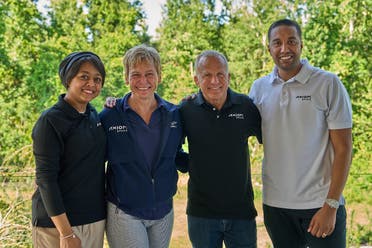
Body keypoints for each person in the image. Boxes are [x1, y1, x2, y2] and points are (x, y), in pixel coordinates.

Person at [249, 19, 353, 248]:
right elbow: (232, 118)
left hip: (320, 205)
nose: (284, 49)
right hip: (276, 206)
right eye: (277, 43)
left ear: (301, 45)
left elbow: (344, 148)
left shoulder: (328, 83)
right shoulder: (259, 88)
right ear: (269, 48)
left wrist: (331, 205)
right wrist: (196, 101)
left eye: (291, 42)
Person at [99, 44, 187, 248]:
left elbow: (177, 154)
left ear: (159, 76)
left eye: (149, 74)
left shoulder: (174, 114)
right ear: (126, 77)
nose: (143, 81)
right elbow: (93, 161)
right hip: (125, 211)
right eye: (135, 74)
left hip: (163, 212)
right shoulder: (110, 116)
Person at [180, 50, 262, 248]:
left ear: (228, 77)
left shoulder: (246, 106)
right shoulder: (186, 109)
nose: (214, 81)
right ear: (196, 79)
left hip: (241, 213)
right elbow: (169, 149)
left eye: (220, 74)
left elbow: (273, 141)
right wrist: (191, 164)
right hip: (202, 214)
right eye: (206, 75)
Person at [32, 51, 107, 248]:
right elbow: (46, 179)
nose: (91, 84)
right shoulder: (50, 121)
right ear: (68, 79)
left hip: (93, 218)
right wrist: (66, 234)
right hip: (56, 226)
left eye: (97, 79)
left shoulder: (93, 115)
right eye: (84, 77)